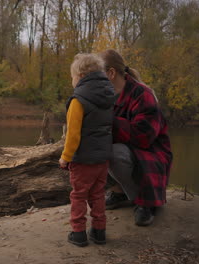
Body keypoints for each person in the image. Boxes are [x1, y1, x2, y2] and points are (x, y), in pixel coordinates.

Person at [98, 49, 172, 226]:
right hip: (128, 153)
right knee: (92, 149)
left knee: (113, 153)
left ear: (111, 73)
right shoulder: (103, 96)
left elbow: (143, 137)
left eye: (95, 74)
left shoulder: (142, 94)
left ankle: (146, 201)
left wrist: (109, 121)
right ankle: (121, 191)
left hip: (151, 155)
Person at [59, 53, 114, 247]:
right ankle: (99, 232)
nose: (72, 80)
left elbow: (73, 135)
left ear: (81, 76)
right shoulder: (109, 96)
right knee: (98, 194)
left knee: (79, 195)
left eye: (72, 77)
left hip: (83, 160)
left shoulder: (78, 101)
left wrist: (65, 157)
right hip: (102, 159)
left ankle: (78, 233)